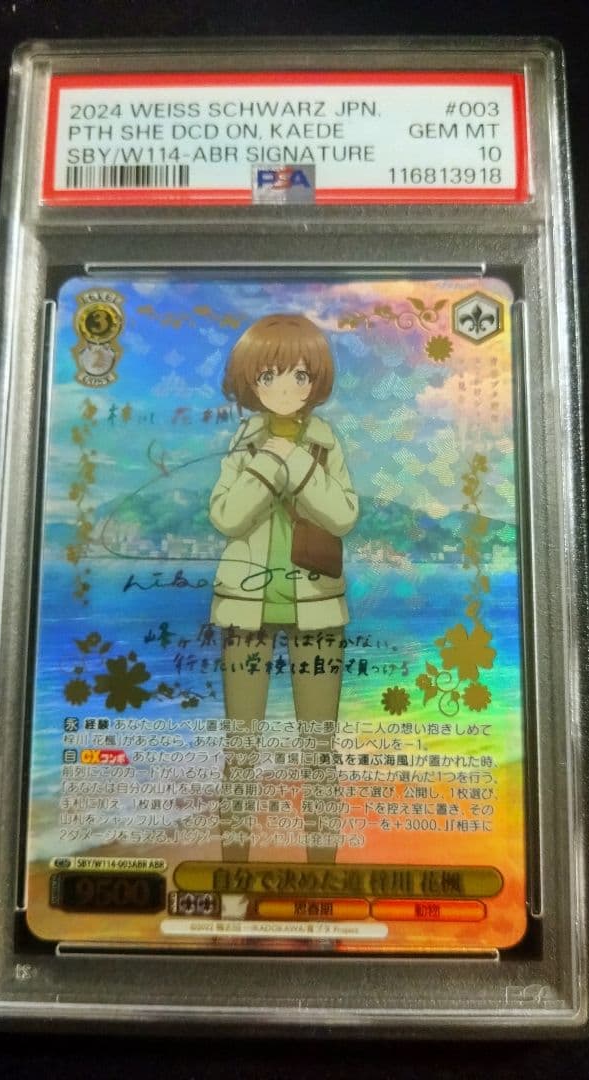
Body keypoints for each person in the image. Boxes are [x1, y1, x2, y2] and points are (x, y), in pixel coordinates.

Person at [209, 314, 358, 862]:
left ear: (317, 380)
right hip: (243, 609)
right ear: (250, 381)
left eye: (301, 374)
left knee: (318, 753)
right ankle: (232, 882)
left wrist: (293, 461)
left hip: (318, 609)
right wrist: (267, 464)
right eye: (269, 375)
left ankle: (321, 881)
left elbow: (344, 515)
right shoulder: (244, 439)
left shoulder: (324, 440)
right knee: (241, 752)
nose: (286, 388)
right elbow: (226, 516)